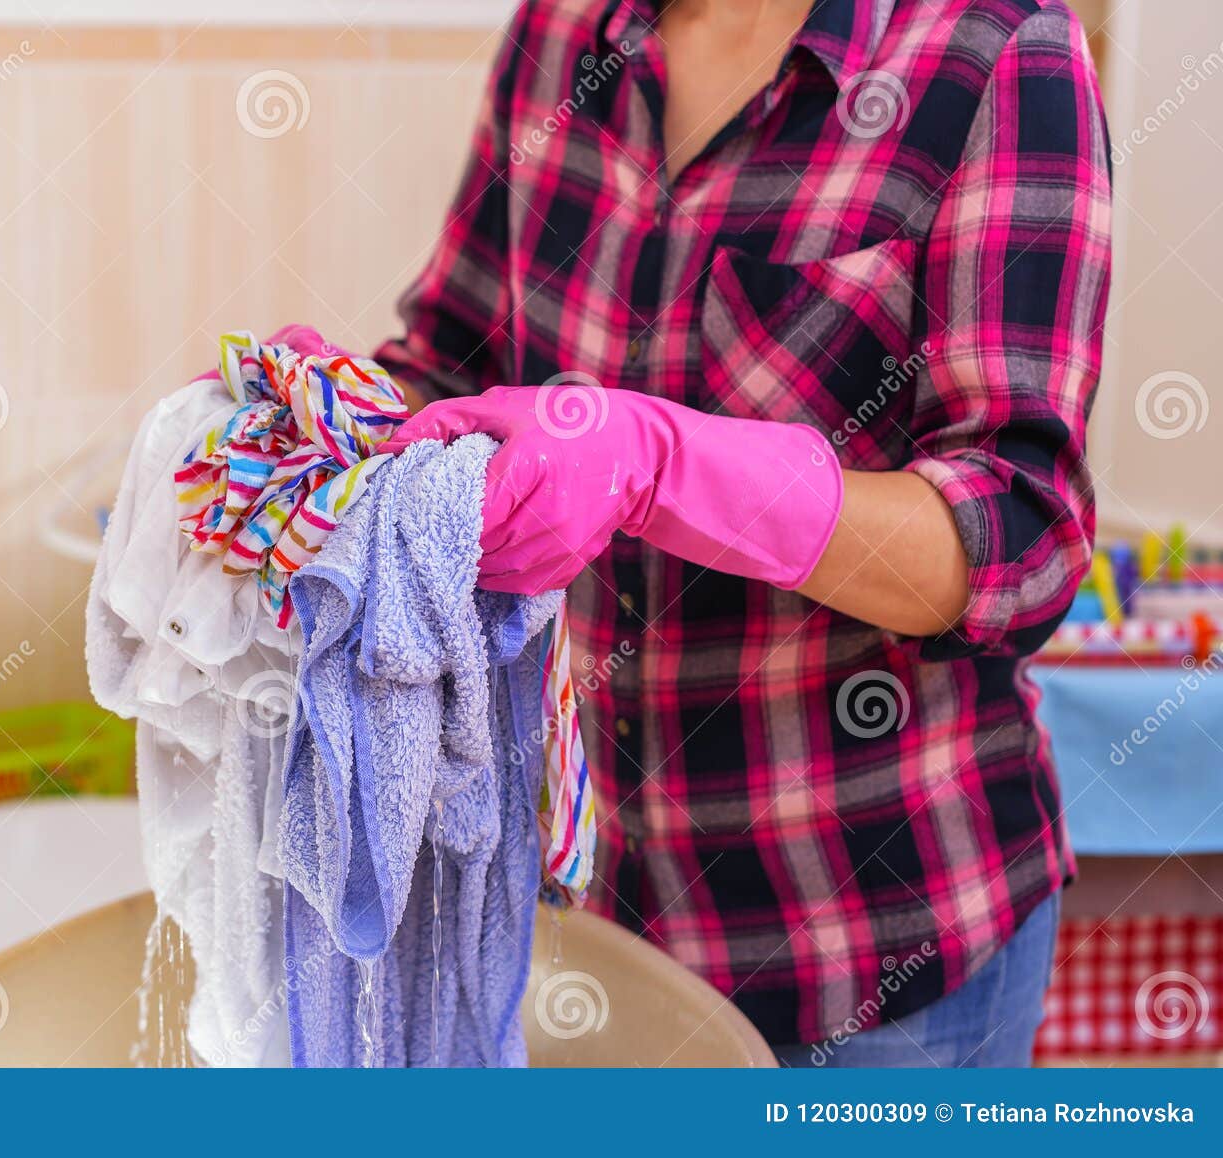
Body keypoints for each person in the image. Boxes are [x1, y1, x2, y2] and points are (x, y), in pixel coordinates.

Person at [377, 0, 1111, 1067]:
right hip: (592, 920)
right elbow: (451, 362)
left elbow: (1017, 538)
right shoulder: (562, 31)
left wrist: (663, 465)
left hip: (870, 955)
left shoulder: (995, 53)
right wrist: (319, 422)